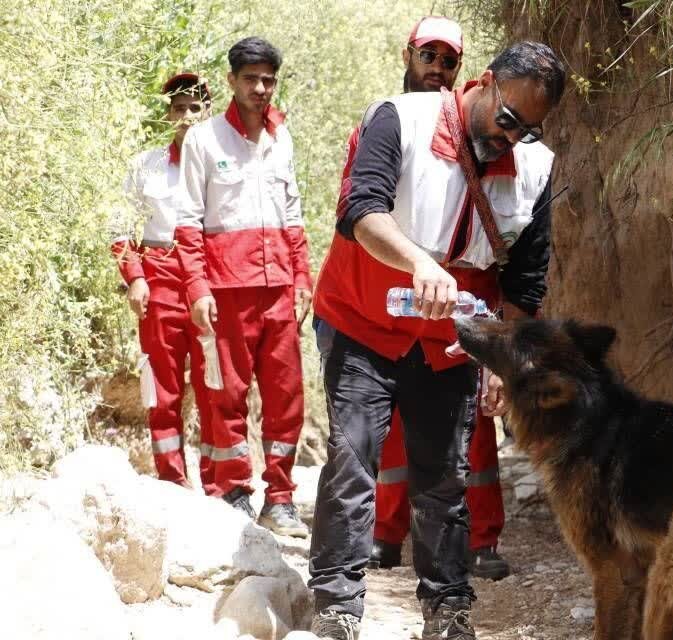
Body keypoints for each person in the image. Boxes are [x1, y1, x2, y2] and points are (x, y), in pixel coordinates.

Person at [308, 40, 566, 640]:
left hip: (450, 341)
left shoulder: (534, 167)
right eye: (507, 119)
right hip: (361, 323)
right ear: (483, 82)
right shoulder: (398, 119)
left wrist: (500, 359)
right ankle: (337, 610)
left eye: (528, 129)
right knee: (353, 461)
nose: (511, 137)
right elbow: (360, 210)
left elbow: (525, 280)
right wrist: (418, 264)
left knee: (443, 473)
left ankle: (448, 609)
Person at [353, 16, 510, 582]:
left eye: (449, 60)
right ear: (408, 54)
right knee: (395, 418)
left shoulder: (487, 132)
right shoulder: (387, 120)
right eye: (429, 55)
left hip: (466, 291)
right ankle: (386, 535)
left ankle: (481, 541)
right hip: (400, 288)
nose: (437, 68)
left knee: (474, 424)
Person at [175, 36, 312, 538]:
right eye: (251, 78)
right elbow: (187, 223)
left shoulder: (283, 138)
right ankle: (231, 493)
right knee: (225, 395)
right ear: (232, 81)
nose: (261, 87)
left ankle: (280, 499)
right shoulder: (204, 140)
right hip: (226, 289)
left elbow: (293, 217)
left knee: (285, 397)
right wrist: (197, 288)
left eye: (268, 79)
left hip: (278, 289)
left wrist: (302, 276)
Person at [109, 73, 213, 488]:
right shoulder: (145, 165)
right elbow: (118, 227)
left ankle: (219, 483)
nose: (186, 116)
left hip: (207, 281)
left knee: (214, 385)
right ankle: (172, 480)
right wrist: (135, 277)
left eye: (195, 108)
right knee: (162, 385)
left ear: (209, 113)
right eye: (178, 108)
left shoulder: (221, 164)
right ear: (167, 115)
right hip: (158, 278)